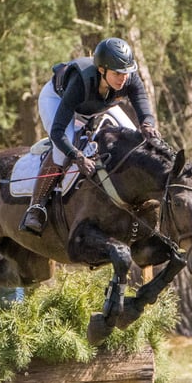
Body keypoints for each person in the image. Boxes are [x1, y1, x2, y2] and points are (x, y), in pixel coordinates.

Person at [19, 37, 161, 235]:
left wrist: (147, 124)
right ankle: (36, 207)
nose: (123, 78)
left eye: (126, 73)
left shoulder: (128, 78)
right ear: (102, 70)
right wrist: (77, 156)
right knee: (63, 150)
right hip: (57, 100)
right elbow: (58, 132)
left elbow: (142, 104)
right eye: (117, 73)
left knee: (136, 140)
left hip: (96, 106)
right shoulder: (80, 81)